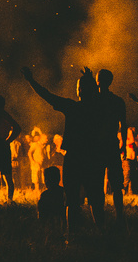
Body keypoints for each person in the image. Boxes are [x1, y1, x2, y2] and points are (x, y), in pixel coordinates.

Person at [21, 65, 105, 239]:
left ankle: (72, 235)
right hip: (94, 158)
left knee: (72, 200)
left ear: (80, 90)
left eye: (78, 87)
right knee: (96, 199)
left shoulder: (73, 107)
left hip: (74, 157)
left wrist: (31, 80)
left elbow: (48, 96)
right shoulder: (100, 109)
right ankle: (101, 233)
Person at [96, 69, 126, 227]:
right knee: (116, 184)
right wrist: (124, 145)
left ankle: (100, 218)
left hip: (99, 146)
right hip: (113, 145)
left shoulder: (94, 100)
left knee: (99, 182)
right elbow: (124, 125)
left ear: (98, 81)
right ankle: (119, 216)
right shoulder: (118, 101)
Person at [37, 164, 67, 239]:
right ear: (59, 179)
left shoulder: (44, 195)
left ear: (46, 181)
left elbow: (41, 216)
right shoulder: (64, 192)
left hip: (49, 231)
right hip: (63, 227)